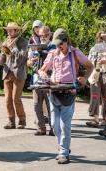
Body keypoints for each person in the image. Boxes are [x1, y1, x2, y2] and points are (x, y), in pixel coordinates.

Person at [38, 28, 93, 164]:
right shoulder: (53, 53)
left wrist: (85, 78)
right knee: (54, 125)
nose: (59, 47)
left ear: (66, 41)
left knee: (64, 125)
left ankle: (63, 152)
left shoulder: (75, 53)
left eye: (61, 44)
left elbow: (90, 66)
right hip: (54, 91)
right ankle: (63, 148)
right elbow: (41, 70)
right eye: (56, 44)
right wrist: (43, 74)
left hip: (69, 92)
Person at [0, 22, 28, 129]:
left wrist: (14, 47)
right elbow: (3, 58)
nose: (8, 32)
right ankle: (11, 121)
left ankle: (22, 120)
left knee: (16, 98)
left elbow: (23, 57)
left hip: (19, 73)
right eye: (7, 30)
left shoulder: (23, 42)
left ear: (16, 31)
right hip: (7, 72)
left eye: (10, 30)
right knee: (7, 99)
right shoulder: (5, 42)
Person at [27, 26, 55, 136]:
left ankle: (53, 127)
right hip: (36, 78)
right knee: (36, 104)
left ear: (49, 35)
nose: (43, 37)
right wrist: (31, 61)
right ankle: (41, 127)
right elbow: (28, 62)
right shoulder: (34, 46)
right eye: (41, 35)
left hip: (49, 77)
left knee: (50, 104)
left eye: (45, 35)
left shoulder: (53, 46)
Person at [86, 31, 106, 128]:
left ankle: (104, 118)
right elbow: (89, 61)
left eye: (104, 37)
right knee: (95, 96)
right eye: (100, 37)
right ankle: (95, 118)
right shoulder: (93, 48)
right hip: (95, 73)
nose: (101, 39)